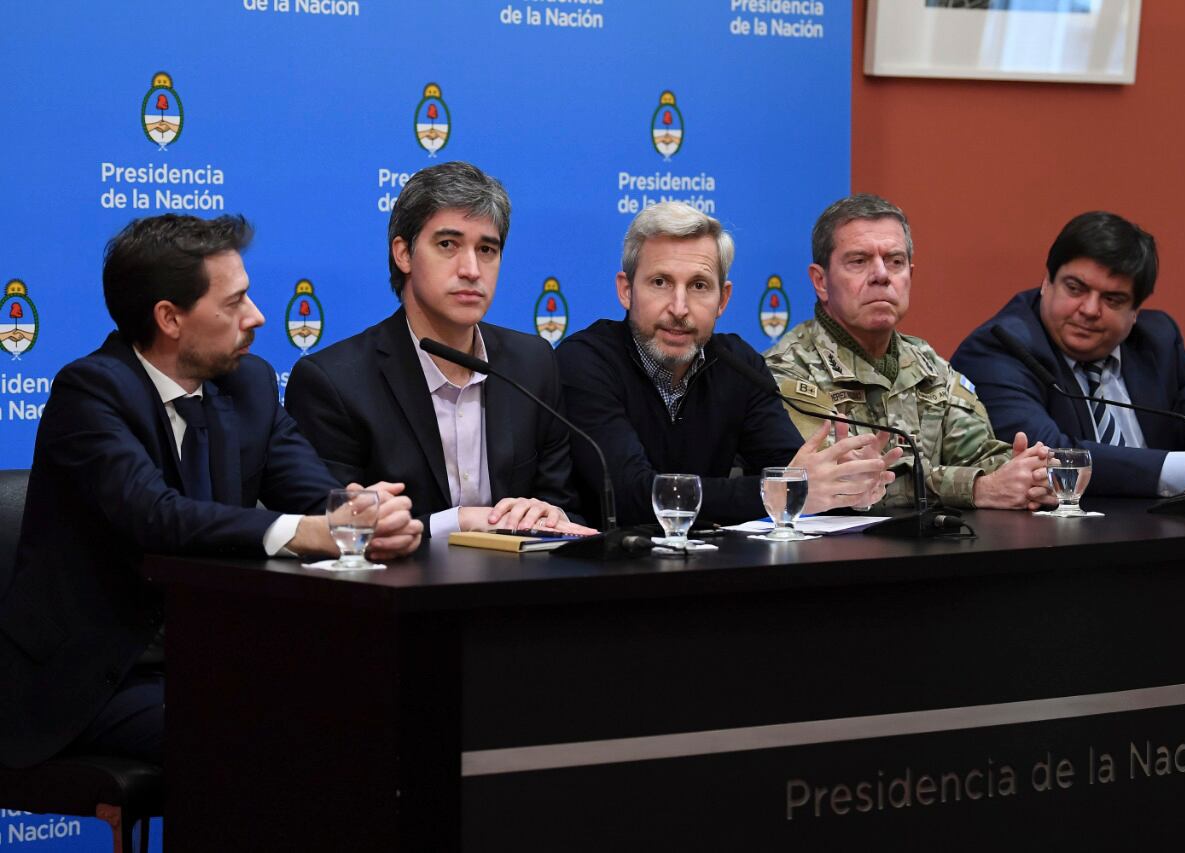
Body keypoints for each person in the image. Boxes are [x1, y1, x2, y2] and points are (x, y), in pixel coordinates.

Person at [0, 214, 422, 769]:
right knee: (264, 733)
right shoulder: (91, 393)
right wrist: (309, 532)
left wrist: (365, 515)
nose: (257, 317)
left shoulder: (246, 383)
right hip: (96, 679)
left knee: (370, 703)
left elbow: (313, 492)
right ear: (170, 318)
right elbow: (157, 517)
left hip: (211, 657)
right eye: (234, 303)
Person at [286, 161, 589, 536]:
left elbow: (565, 506)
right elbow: (332, 529)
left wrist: (546, 513)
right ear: (404, 254)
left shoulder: (532, 363)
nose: (471, 269)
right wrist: (456, 523)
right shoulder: (334, 382)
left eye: (487, 250)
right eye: (448, 244)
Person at [556, 201, 899, 528]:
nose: (679, 307)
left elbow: (792, 474)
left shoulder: (737, 362)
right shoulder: (585, 362)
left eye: (699, 286)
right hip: (605, 576)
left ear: (722, 300)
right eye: (660, 282)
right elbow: (631, 497)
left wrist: (845, 484)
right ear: (626, 291)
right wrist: (777, 492)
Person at [952, 210, 1185, 499]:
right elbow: (1051, 459)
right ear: (1046, 282)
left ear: (1136, 311)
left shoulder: (1157, 340)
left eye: (1112, 299)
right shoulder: (1000, 349)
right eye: (1075, 288)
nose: (1090, 310)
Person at [766, 194, 1053, 510]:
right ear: (820, 282)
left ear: (910, 277)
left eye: (895, 261)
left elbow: (980, 455)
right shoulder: (787, 370)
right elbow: (842, 488)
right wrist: (976, 488)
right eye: (859, 261)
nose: (881, 275)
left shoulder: (928, 364)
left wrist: (1027, 475)